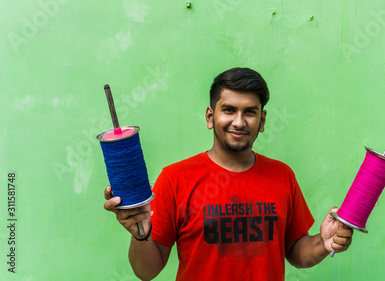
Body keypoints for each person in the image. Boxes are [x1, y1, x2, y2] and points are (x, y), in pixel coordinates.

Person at [103, 67, 353, 281]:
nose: (239, 121)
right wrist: (140, 234)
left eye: (250, 112)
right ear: (211, 117)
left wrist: (322, 243)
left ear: (262, 120)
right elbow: (147, 272)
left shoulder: (282, 175)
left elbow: (296, 252)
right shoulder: (174, 178)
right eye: (229, 110)